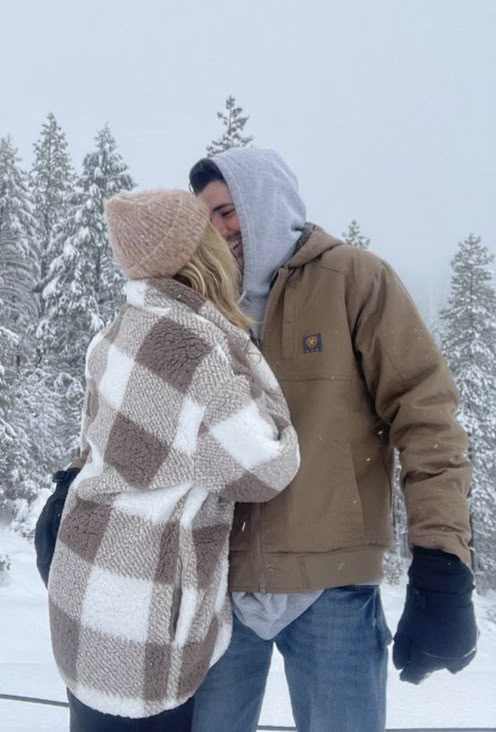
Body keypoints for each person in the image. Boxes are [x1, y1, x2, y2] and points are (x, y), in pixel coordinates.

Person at [187, 147, 478, 732]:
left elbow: (426, 415)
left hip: (332, 588)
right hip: (217, 587)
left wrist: (442, 558)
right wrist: (76, 480)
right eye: (206, 218)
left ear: (263, 201)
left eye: (226, 210)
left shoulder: (355, 280)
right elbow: (137, 399)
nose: (218, 230)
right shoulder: (200, 301)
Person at [46, 189, 300, 731]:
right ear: (197, 251)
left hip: (87, 588)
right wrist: (249, 359)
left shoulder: (113, 335)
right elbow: (267, 466)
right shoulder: (196, 350)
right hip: (140, 617)